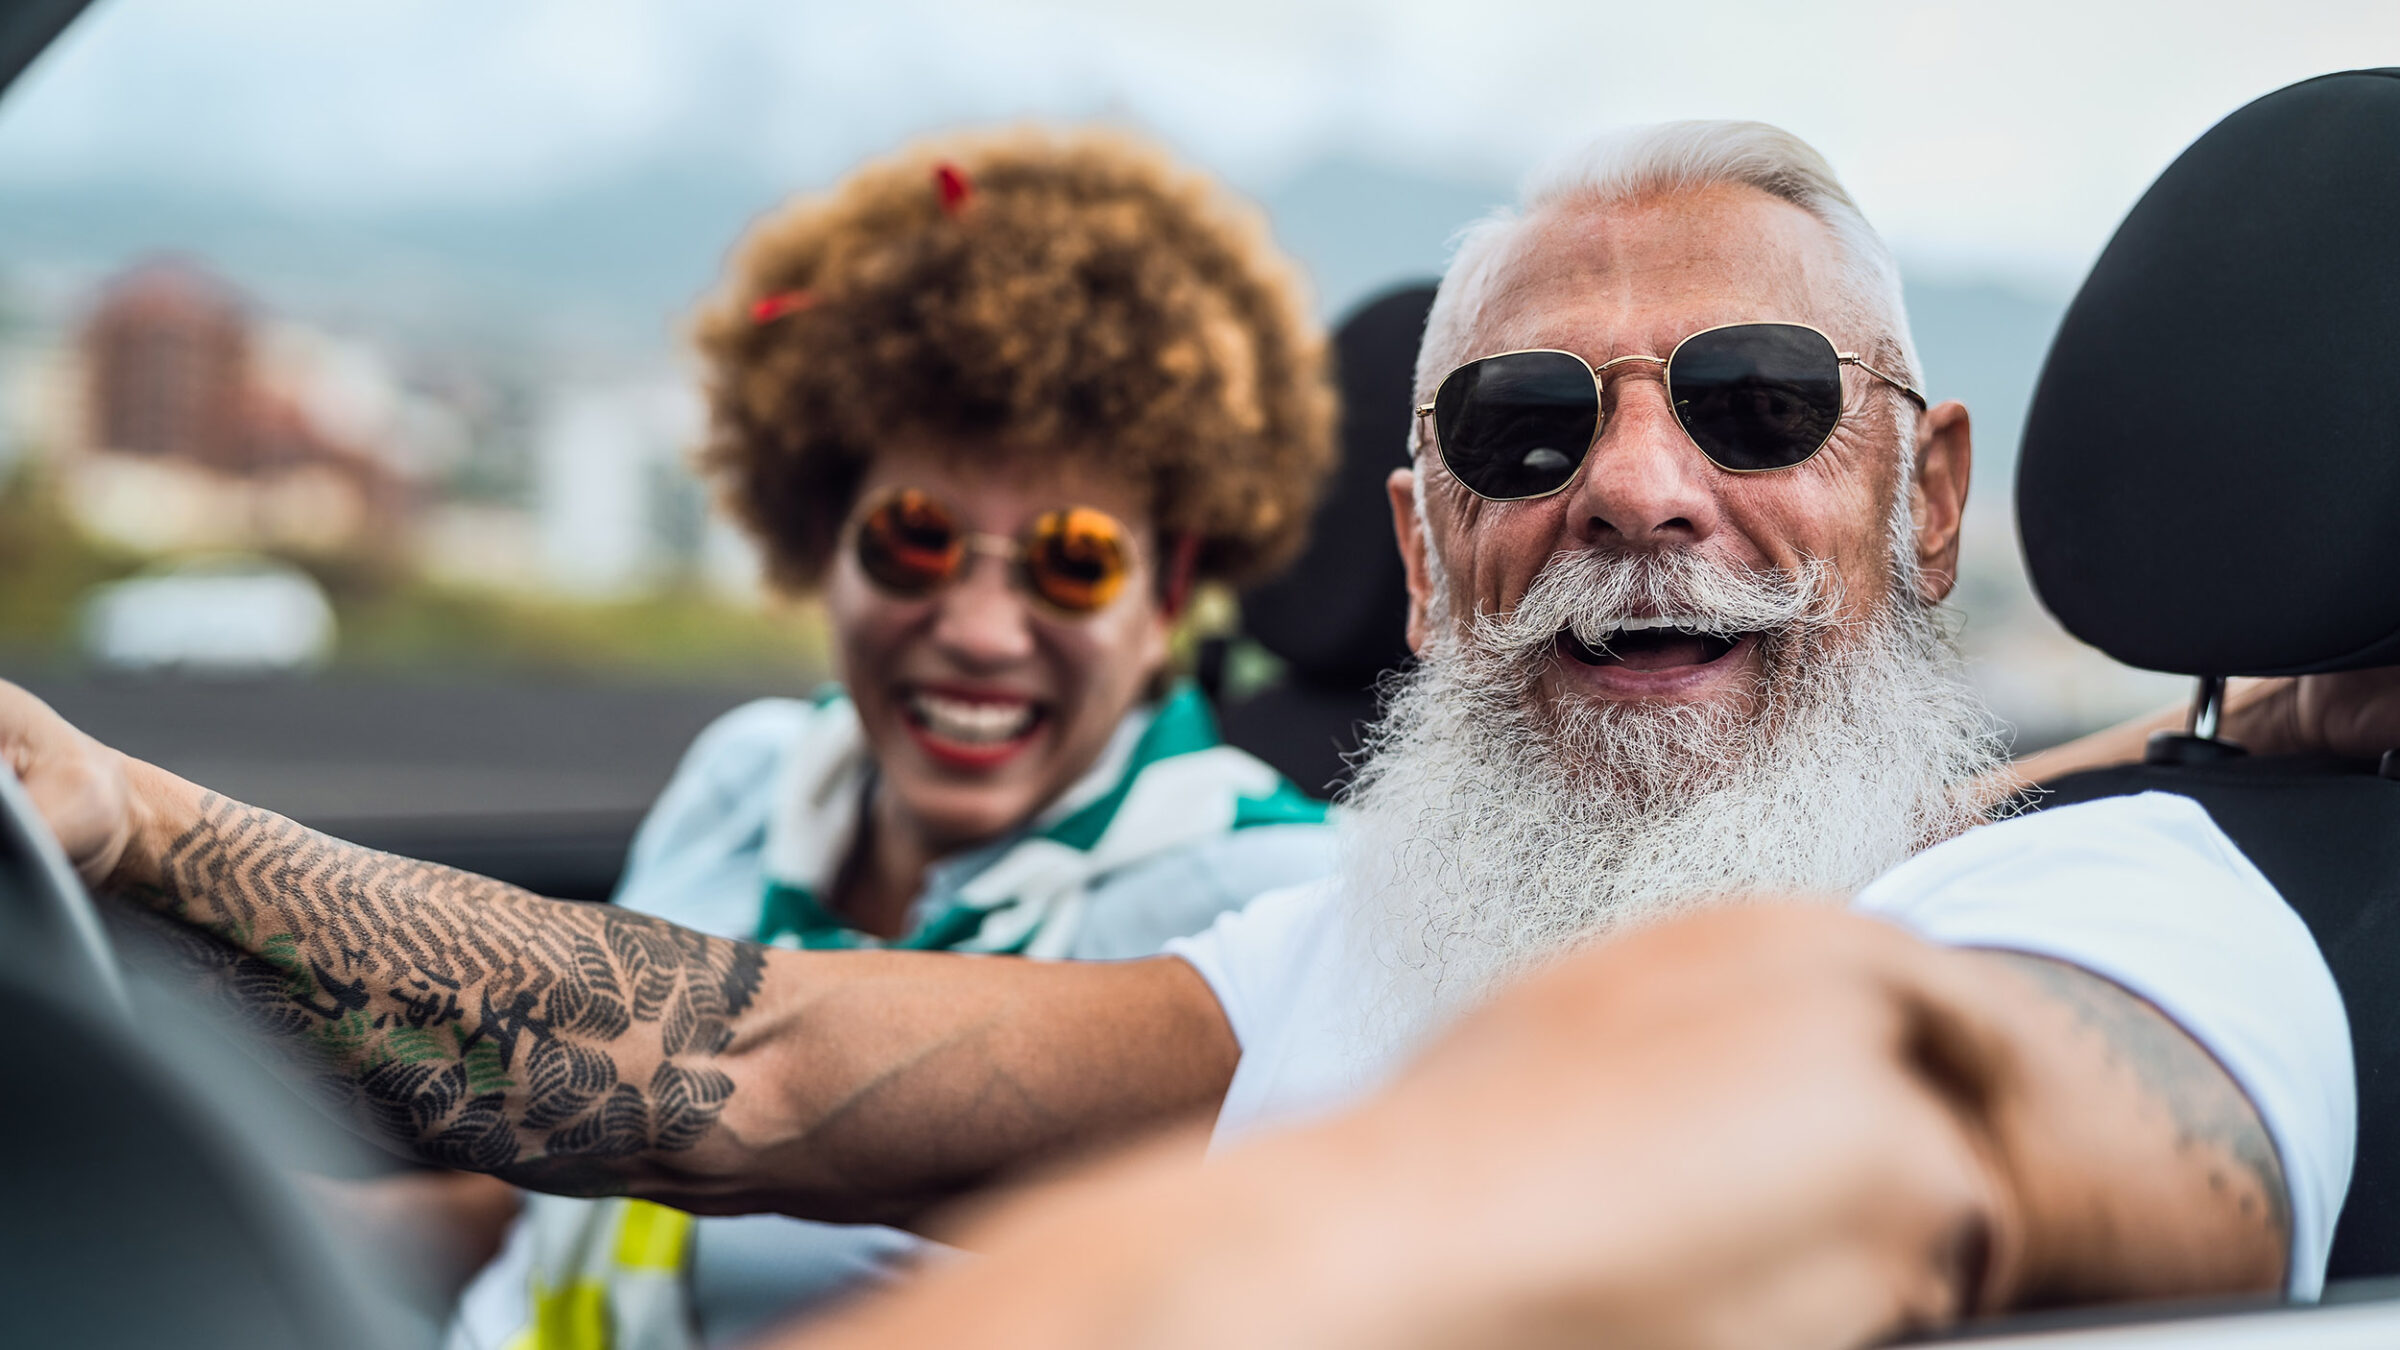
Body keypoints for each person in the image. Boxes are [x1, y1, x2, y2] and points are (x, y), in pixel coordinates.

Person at [0, 120, 2380, 1346]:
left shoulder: (2121, 899)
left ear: (1919, 492)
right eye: (1522, 425)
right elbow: (778, 1060)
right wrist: (113, 810)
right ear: (1428, 543)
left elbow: (1886, 1088)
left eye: (1756, 404)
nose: (1639, 484)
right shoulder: (1347, 922)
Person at [429, 126, 1343, 1347]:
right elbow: (535, 1215)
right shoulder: (746, 778)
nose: (976, 630)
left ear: (1167, 599)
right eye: (913, 538)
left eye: (1074, 563)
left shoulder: (1271, 907)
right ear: (826, 536)